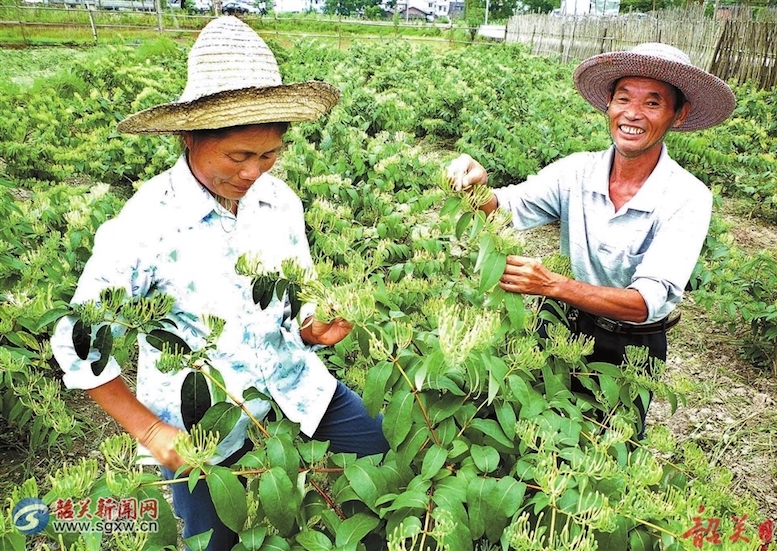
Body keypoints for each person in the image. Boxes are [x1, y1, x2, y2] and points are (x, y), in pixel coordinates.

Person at [51, 16, 388, 550]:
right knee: (216, 541)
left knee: (378, 477)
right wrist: (151, 432)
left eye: (269, 154)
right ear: (190, 138)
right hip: (205, 426)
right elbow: (76, 342)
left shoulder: (280, 202)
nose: (255, 172)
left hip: (298, 388)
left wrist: (310, 328)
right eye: (238, 156)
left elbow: (293, 302)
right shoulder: (145, 226)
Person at [446, 42, 736, 436]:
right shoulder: (576, 172)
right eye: (623, 98)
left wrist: (549, 284)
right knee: (536, 432)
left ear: (678, 115)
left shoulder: (687, 196)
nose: (632, 114)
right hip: (562, 326)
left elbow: (645, 303)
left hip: (632, 347)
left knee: (608, 450)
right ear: (609, 105)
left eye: (653, 103)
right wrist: (474, 184)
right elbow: (503, 205)